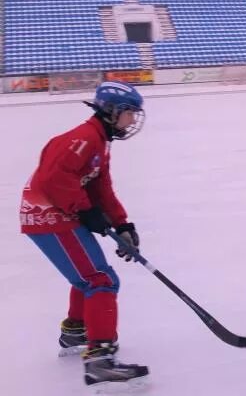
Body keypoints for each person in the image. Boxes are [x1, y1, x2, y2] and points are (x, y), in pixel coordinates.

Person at [20, 81, 149, 386]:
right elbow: (54, 178)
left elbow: (101, 187)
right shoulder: (83, 138)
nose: (132, 120)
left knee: (89, 276)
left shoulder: (99, 142)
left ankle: (76, 329)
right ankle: (100, 361)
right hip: (48, 215)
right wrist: (85, 210)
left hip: (60, 213)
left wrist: (122, 224)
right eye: (129, 113)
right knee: (100, 280)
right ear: (110, 111)